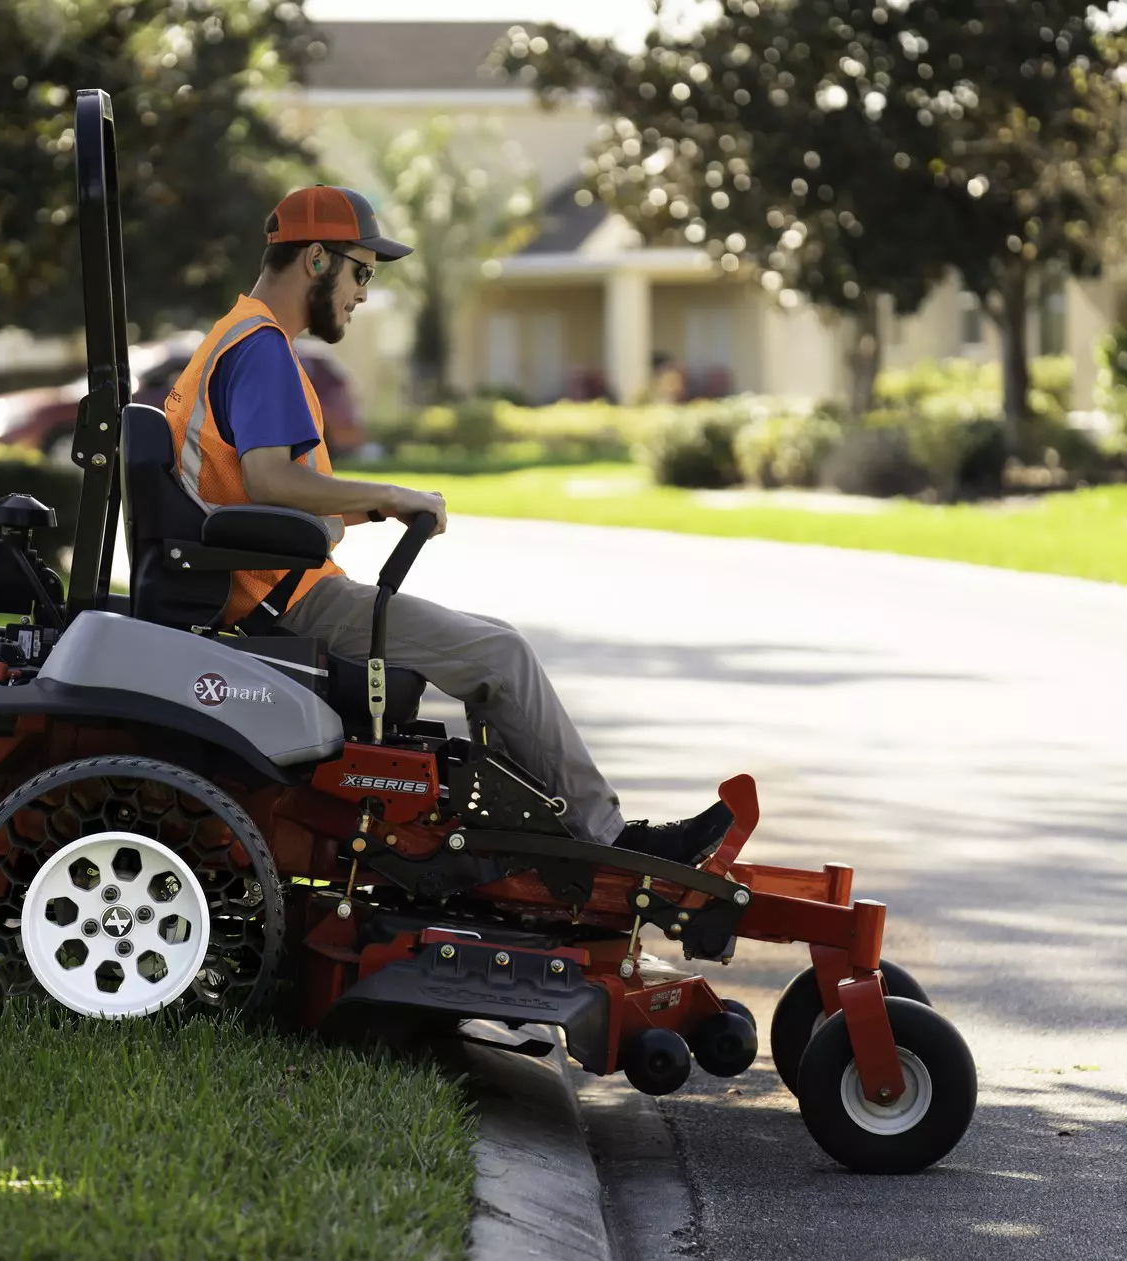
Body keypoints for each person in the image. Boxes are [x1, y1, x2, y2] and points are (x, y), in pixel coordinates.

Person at [161, 185, 730, 866]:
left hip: (263, 586)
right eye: (360, 271)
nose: (363, 293)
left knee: (488, 649)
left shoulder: (235, 336)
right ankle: (607, 845)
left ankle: (535, 839)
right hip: (286, 599)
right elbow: (268, 480)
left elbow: (268, 497)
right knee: (501, 657)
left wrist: (380, 506)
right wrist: (390, 491)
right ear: (316, 259)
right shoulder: (263, 350)